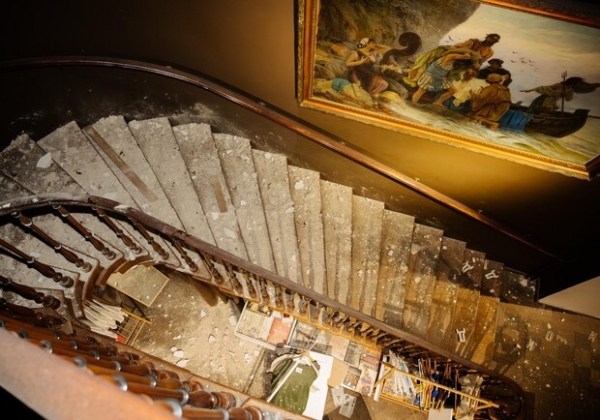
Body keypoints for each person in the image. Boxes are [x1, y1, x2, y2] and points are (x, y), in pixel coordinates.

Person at [520, 77, 586, 114]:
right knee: (540, 111)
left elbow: (568, 99)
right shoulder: (559, 85)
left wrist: (568, 92)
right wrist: (531, 90)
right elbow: (543, 88)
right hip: (543, 100)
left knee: (549, 112)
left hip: (552, 102)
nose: (571, 88)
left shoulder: (570, 90)